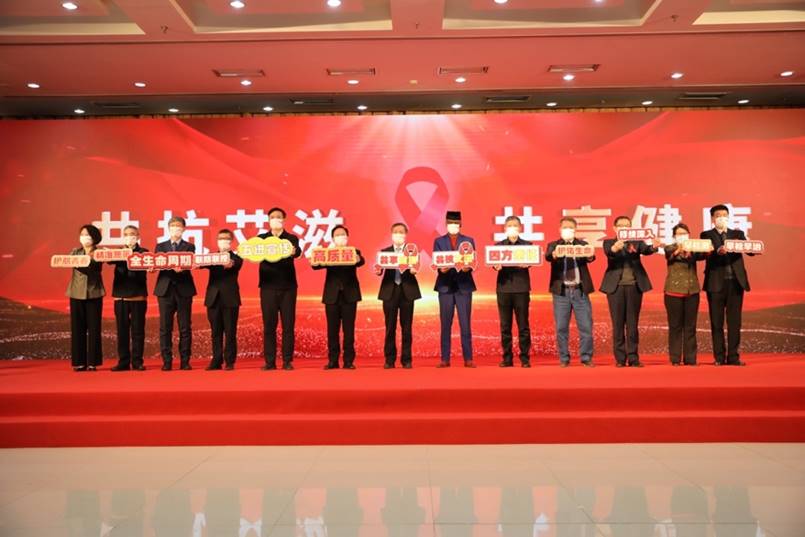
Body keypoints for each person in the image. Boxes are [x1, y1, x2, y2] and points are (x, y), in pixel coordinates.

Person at [701, 204, 757, 366]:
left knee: (734, 322)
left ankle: (733, 357)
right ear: (713, 219)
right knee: (716, 322)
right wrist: (717, 251)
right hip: (715, 283)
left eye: (724, 215)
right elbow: (704, 254)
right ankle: (719, 357)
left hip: (736, 282)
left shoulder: (737, 234)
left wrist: (751, 246)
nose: (722, 218)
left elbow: (750, 252)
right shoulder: (706, 235)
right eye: (718, 215)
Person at [600, 215, 659, 368]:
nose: (624, 227)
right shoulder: (609, 242)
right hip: (615, 287)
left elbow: (646, 250)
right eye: (621, 225)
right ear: (615, 228)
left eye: (627, 225)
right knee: (618, 324)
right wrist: (616, 247)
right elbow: (609, 252)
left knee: (632, 324)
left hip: (634, 286)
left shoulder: (636, 242)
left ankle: (633, 358)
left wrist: (654, 246)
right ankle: (620, 359)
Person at [545, 217, 596, 367]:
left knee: (586, 326)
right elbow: (548, 256)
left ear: (575, 230)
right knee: (561, 327)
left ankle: (586, 357)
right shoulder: (554, 245)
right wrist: (555, 254)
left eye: (570, 227)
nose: (567, 230)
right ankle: (564, 358)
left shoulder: (582, 245)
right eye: (565, 227)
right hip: (562, 292)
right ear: (560, 229)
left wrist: (589, 255)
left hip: (580, 291)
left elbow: (591, 257)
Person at [312, 225, 365, 370]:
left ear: (347, 237)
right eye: (337, 235)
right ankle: (333, 361)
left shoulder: (353, 251)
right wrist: (315, 260)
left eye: (343, 234)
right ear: (333, 238)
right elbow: (315, 266)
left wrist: (358, 259)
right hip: (332, 296)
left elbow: (361, 261)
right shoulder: (328, 253)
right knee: (332, 331)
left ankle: (348, 361)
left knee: (349, 330)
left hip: (350, 295)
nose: (340, 237)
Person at [258, 207, 301, 371]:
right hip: (268, 286)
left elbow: (297, 252)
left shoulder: (291, 238)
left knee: (288, 326)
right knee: (269, 326)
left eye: (279, 217)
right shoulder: (261, 239)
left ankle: (287, 361)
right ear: (268, 220)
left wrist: (293, 252)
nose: (276, 219)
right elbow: (251, 253)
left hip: (288, 287)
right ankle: (270, 361)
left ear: (284, 219)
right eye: (273, 217)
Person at [433, 210, 476, 368]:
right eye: (450, 223)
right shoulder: (439, 241)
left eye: (456, 223)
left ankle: (468, 358)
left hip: (464, 286)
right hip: (445, 286)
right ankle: (445, 358)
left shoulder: (468, 240)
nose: (453, 225)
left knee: (465, 324)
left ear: (460, 224)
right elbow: (437, 261)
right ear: (446, 224)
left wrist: (468, 267)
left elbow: (471, 261)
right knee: (445, 324)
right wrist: (441, 269)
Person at [154, 216, 197, 371]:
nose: (175, 229)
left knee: (185, 327)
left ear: (183, 229)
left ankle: (185, 361)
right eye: (173, 226)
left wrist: (182, 269)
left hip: (184, 289)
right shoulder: (160, 246)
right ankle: (167, 361)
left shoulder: (189, 246)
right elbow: (157, 264)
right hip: (165, 290)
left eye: (178, 226)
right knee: (165, 328)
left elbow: (189, 263)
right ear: (168, 228)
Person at [376, 222, 421, 368]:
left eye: (401, 232)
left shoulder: (412, 251)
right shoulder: (384, 252)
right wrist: (378, 270)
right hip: (390, 291)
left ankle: (406, 360)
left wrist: (414, 269)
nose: (398, 234)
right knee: (390, 327)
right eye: (396, 232)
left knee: (406, 328)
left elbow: (416, 266)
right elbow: (379, 270)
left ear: (405, 234)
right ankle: (389, 360)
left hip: (407, 291)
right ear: (391, 234)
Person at [664, 223, 708, 366]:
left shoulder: (694, 248)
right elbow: (670, 256)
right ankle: (675, 358)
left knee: (690, 326)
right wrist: (680, 250)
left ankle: (690, 358)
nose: (682, 236)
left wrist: (709, 250)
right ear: (674, 236)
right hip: (673, 292)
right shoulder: (670, 247)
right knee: (675, 326)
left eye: (684, 233)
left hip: (692, 291)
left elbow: (702, 255)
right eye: (679, 234)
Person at [491, 216, 532, 368]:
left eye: (515, 225)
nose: (512, 228)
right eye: (510, 225)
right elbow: (493, 263)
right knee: (505, 326)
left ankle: (525, 358)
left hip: (521, 288)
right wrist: (495, 266)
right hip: (504, 289)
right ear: (505, 228)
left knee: (523, 325)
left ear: (520, 228)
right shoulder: (498, 246)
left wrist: (528, 263)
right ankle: (507, 358)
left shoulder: (527, 246)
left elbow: (534, 260)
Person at [66, 224, 105, 372]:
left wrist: (83, 261)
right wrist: (79, 261)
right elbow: (69, 262)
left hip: (94, 293)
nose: (84, 237)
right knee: (77, 328)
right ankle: (79, 362)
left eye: (87, 235)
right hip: (76, 293)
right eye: (82, 234)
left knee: (94, 328)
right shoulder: (75, 252)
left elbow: (94, 268)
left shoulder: (99, 253)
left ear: (94, 238)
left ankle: (93, 362)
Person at [203, 229, 243, 370]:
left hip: (230, 299)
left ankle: (229, 361)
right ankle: (216, 360)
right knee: (215, 331)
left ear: (231, 241)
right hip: (213, 298)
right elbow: (200, 263)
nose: (223, 241)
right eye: (220, 238)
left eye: (226, 239)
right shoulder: (211, 257)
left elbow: (234, 264)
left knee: (230, 331)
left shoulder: (237, 258)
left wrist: (229, 262)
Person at [109, 225, 148, 371]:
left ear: (138, 236)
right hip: (120, 297)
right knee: (122, 331)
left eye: (132, 234)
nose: (129, 237)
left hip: (138, 296)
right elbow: (109, 260)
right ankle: (123, 361)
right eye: (126, 234)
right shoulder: (118, 252)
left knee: (138, 331)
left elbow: (149, 266)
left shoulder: (144, 252)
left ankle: (137, 361)